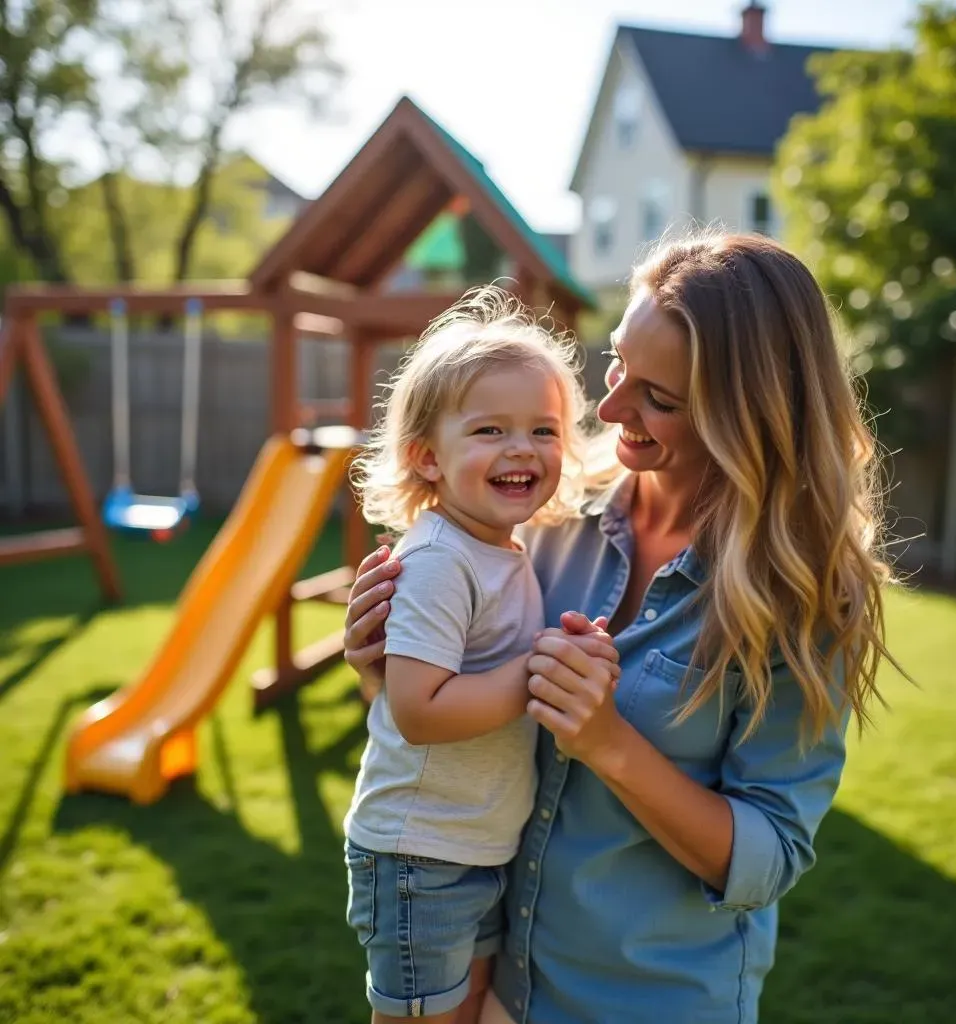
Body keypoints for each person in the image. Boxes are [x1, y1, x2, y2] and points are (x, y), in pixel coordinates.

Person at [344, 233, 896, 1024]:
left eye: (658, 400)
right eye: (615, 366)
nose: (606, 411)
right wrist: (386, 673)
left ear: (748, 416)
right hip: (500, 982)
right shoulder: (550, 510)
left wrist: (608, 744)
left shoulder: (801, 594)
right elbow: (456, 703)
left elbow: (768, 858)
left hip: (642, 1000)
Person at [342, 288, 620, 1024]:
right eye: (490, 429)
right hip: (418, 855)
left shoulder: (503, 548)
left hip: (475, 842)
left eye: (544, 428)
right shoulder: (440, 559)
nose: (522, 448)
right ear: (428, 459)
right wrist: (540, 669)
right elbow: (419, 710)